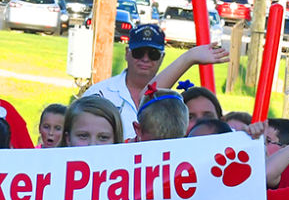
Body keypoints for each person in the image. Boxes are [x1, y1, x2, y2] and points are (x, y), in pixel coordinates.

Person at [79, 24, 227, 137]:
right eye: (138, 52)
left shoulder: (174, 100)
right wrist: (188, 58)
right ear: (127, 53)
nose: (145, 59)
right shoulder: (99, 93)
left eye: (153, 54)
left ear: (162, 57)